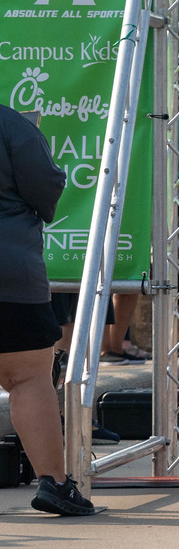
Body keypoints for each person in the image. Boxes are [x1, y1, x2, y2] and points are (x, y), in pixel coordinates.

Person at [1, 98, 96, 515]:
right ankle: (54, 484)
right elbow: (46, 182)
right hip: (10, 266)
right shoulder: (10, 125)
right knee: (28, 378)